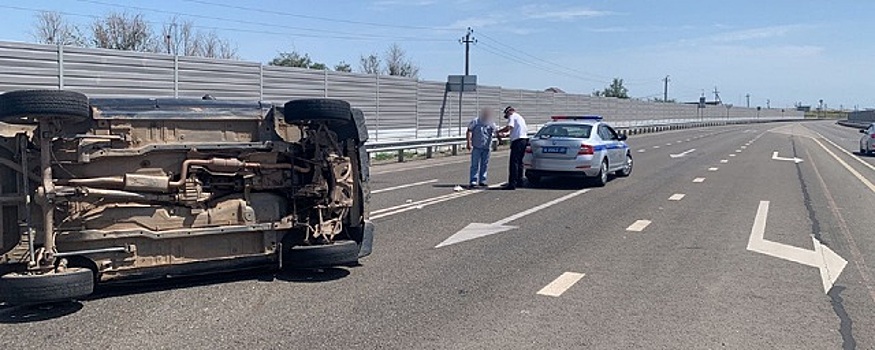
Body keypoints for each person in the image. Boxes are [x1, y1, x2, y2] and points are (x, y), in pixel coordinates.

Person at [497, 106, 528, 190]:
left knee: (513, 163)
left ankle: (512, 184)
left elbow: (509, 127)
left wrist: (499, 131)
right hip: (524, 140)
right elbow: (515, 131)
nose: (507, 117)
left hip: (517, 141)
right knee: (519, 162)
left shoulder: (512, 116)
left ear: (509, 112)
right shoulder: (520, 117)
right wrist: (506, 135)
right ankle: (519, 181)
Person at [466, 108, 498, 188]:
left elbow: (496, 131)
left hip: (486, 148)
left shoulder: (491, 123)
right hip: (477, 146)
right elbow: (469, 130)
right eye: (485, 114)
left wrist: (500, 138)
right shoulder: (475, 121)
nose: (487, 116)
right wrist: (468, 143)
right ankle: (473, 181)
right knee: (474, 164)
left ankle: (482, 180)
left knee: (484, 164)